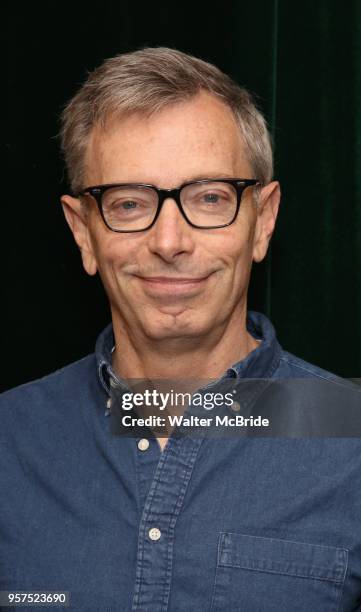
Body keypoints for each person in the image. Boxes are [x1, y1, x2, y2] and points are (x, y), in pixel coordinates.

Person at [1, 47, 361, 612]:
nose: (170, 242)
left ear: (262, 221)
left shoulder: (353, 445)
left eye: (210, 198)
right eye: (127, 203)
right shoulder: (9, 442)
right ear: (83, 232)